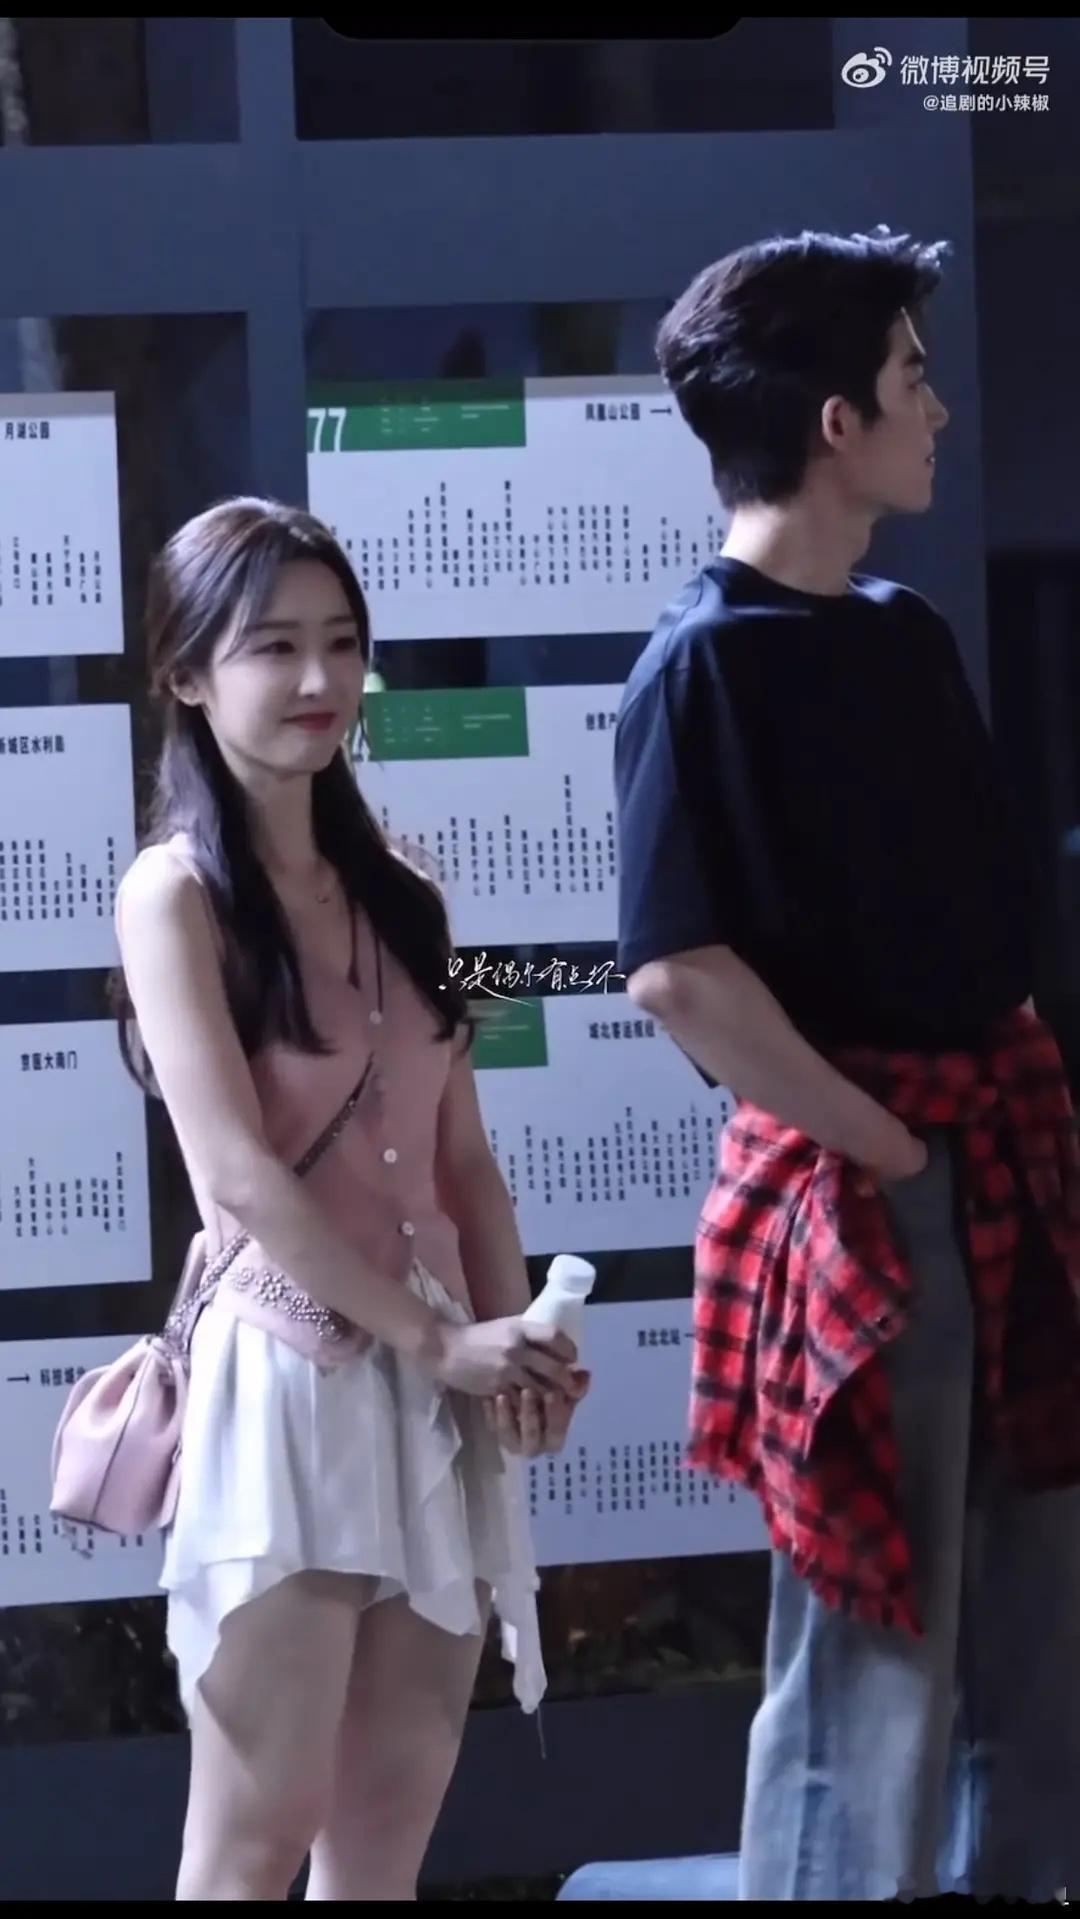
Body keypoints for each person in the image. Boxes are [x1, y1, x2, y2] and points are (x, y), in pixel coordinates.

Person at [613, 228, 1080, 1901]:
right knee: (875, 1630)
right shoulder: (699, 661)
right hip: (864, 1184)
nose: (937, 413)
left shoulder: (903, 631)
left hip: (993, 1150)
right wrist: (882, 1144)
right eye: (911, 380)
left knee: (1034, 1599)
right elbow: (678, 970)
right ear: (834, 422)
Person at [112, 496, 589, 1901]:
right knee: (254, 1837)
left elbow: (465, 1162)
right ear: (187, 673)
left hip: (435, 1388)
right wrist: (443, 1340)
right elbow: (236, 1175)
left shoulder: (410, 896)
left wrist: (515, 1345)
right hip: (286, 1380)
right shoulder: (172, 896)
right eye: (273, 647)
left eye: (342, 642)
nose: (320, 678)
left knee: (385, 1843)